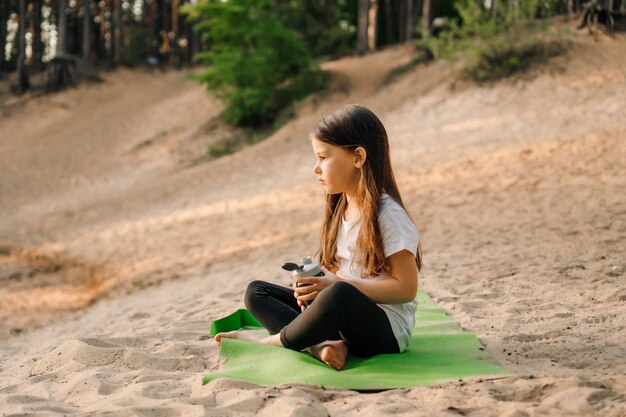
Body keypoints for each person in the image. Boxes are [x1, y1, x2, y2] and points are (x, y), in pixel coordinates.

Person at [215, 104, 422, 371]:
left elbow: (406, 289)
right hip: (343, 312)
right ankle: (324, 344)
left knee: (338, 293)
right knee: (257, 292)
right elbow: (341, 272)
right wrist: (314, 283)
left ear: (358, 157)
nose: (316, 168)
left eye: (324, 157)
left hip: (385, 330)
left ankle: (273, 341)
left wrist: (335, 286)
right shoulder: (341, 206)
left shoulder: (388, 215)